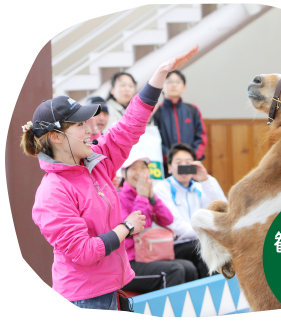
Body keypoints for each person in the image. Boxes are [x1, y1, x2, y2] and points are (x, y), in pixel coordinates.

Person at [20, 45, 199, 310]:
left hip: (113, 289)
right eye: (80, 125)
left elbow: (129, 125)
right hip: (84, 298)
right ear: (56, 137)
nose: (90, 128)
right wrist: (125, 227)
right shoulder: (52, 192)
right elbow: (84, 251)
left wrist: (159, 75)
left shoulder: (97, 161)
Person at [118, 149, 199, 293]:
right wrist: (142, 197)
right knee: (175, 270)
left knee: (189, 268)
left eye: (143, 168)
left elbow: (168, 219)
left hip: (150, 255)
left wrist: (152, 198)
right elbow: (135, 227)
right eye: (134, 168)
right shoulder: (119, 198)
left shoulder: (147, 193)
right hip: (128, 262)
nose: (140, 172)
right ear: (124, 174)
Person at [153, 143, 227, 279]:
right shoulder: (161, 189)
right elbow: (176, 226)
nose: (183, 166)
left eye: (188, 162)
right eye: (179, 162)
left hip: (197, 241)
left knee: (217, 247)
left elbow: (222, 208)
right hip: (173, 244)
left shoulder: (199, 187)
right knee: (205, 249)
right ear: (169, 168)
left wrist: (206, 180)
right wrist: (206, 235)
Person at [152, 70, 208, 177]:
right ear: (162, 87)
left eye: (177, 82)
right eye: (169, 81)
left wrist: (190, 158)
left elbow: (201, 136)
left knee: (190, 189)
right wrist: (172, 159)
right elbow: (155, 140)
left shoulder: (192, 110)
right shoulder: (157, 111)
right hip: (166, 165)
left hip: (190, 163)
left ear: (184, 87)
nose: (173, 85)